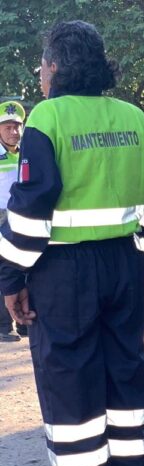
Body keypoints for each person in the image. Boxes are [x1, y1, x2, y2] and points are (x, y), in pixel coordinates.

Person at [0, 21, 144, 466]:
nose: (41, 74)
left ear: (55, 66)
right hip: (122, 266)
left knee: (73, 401)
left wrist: (9, 281)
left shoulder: (47, 119)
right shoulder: (134, 119)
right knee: (124, 397)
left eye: (42, 65)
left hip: (63, 273)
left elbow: (29, 213)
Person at [0, 101, 25, 341]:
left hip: (21, 217)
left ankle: (25, 323)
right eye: (7, 127)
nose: (13, 131)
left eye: (17, 126)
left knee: (23, 268)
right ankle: (3, 326)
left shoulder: (27, 152)